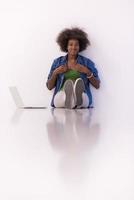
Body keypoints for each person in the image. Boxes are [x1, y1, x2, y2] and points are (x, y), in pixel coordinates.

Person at [46, 27, 100, 109]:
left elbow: (97, 85)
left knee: (83, 97)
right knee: (60, 98)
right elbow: (49, 87)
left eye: (76, 45)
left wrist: (87, 72)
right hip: (62, 95)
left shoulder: (87, 63)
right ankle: (69, 97)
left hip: (82, 95)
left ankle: (76, 96)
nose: (73, 47)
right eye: (71, 44)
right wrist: (55, 72)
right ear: (66, 46)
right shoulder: (57, 62)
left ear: (80, 46)